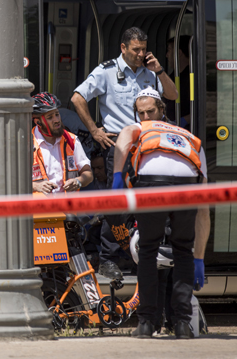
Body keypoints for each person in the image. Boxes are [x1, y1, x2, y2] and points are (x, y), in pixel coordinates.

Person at [71, 27, 178, 279]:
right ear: (123, 48)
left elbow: (172, 95)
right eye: (135, 49)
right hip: (119, 146)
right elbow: (77, 98)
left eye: (144, 49)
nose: (141, 54)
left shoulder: (151, 71)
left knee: (149, 203)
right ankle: (108, 258)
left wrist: (159, 70)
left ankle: (142, 253)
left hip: (149, 146)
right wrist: (94, 130)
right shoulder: (106, 71)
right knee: (117, 205)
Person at [112, 88, 208, 339]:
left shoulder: (141, 129)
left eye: (150, 111)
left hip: (152, 182)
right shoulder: (189, 137)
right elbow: (203, 207)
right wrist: (198, 257)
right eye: (140, 113)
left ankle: (146, 323)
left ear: (162, 110)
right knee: (183, 250)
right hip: (188, 185)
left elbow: (123, 136)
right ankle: (182, 324)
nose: (145, 117)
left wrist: (116, 177)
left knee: (148, 249)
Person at [31, 92, 93, 195]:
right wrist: (36, 186)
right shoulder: (27, 143)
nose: (56, 120)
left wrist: (78, 181)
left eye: (57, 114)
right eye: (50, 117)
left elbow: (88, 174)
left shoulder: (71, 140)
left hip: (68, 208)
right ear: (38, 122)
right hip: (39, 209)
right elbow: (13, 181)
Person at [165, 36, 191, 129]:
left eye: (169, 50)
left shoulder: (194, 77)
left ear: (179, 53)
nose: (166, 55)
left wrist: (183, 120)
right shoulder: (170, 77)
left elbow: (202, 108)